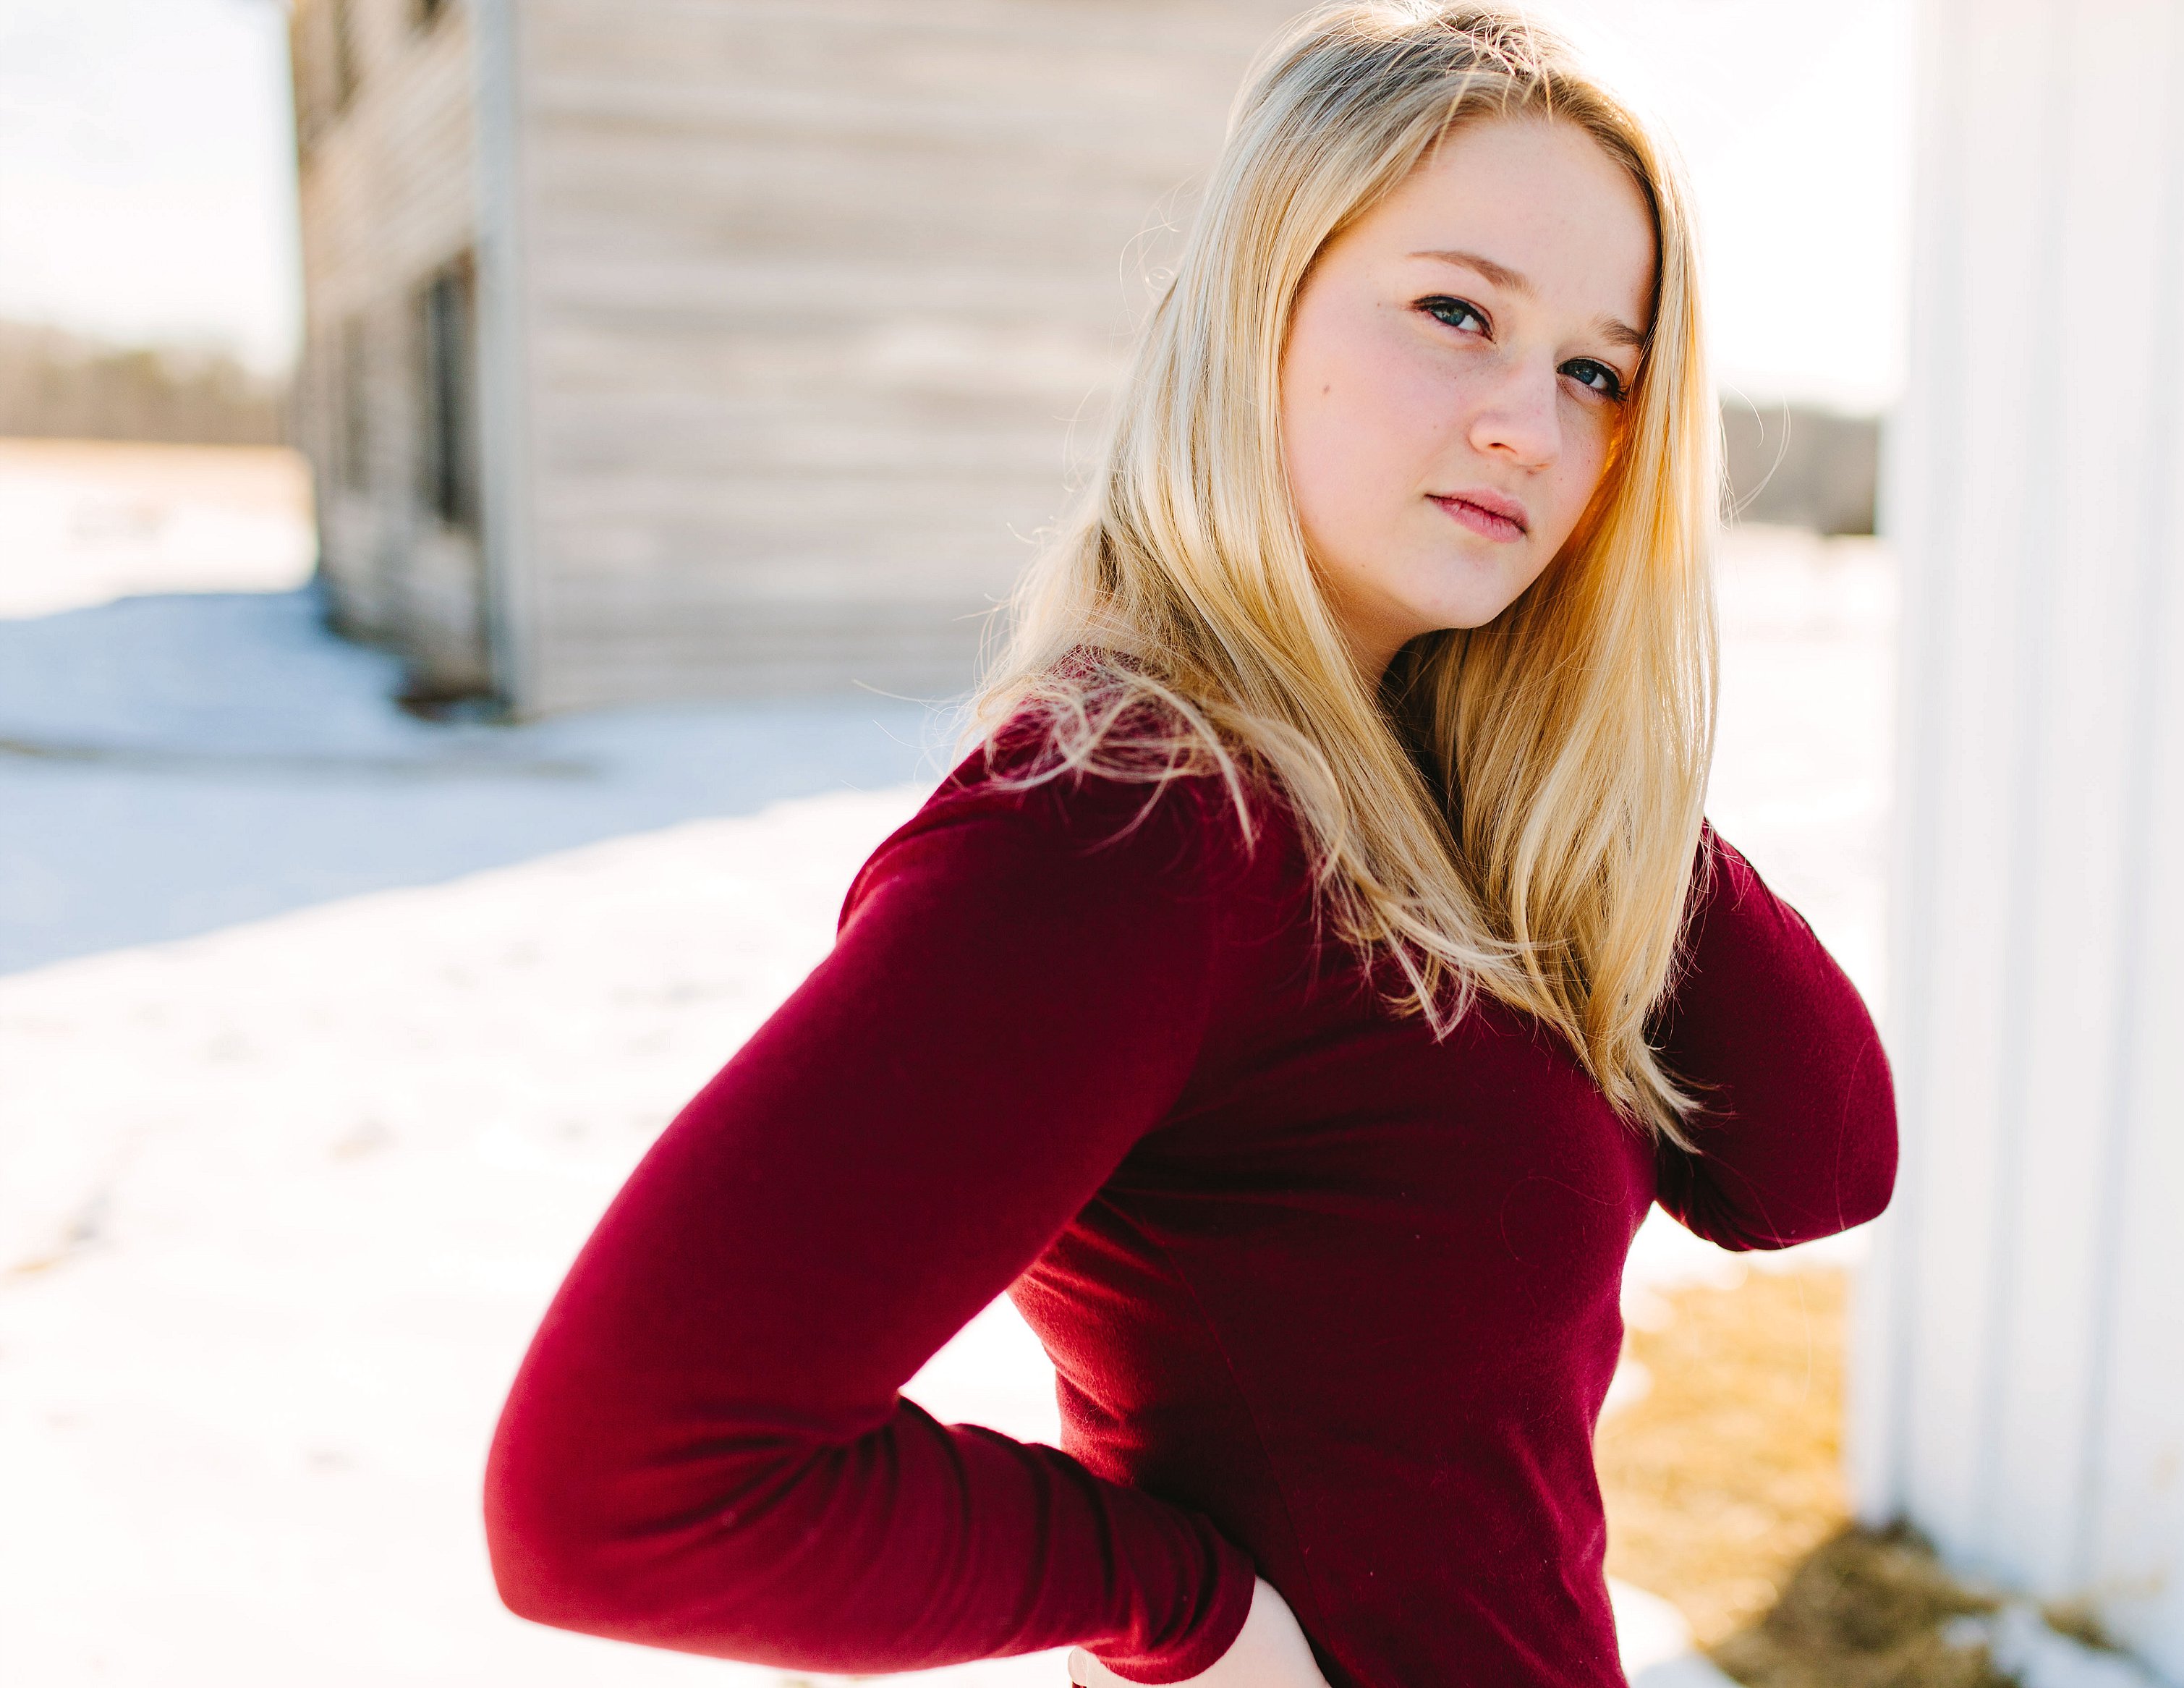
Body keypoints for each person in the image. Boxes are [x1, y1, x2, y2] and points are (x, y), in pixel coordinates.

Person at [481, 6, 1898, 1686]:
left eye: (1598, 369)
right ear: (1246, 311)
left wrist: (1563, 749)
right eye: (1456, 312)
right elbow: (619, 1492)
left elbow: (1806, 1163)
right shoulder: (1131, 820)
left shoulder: (1423, 791)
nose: (1535, 423)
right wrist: (1179, 1610)